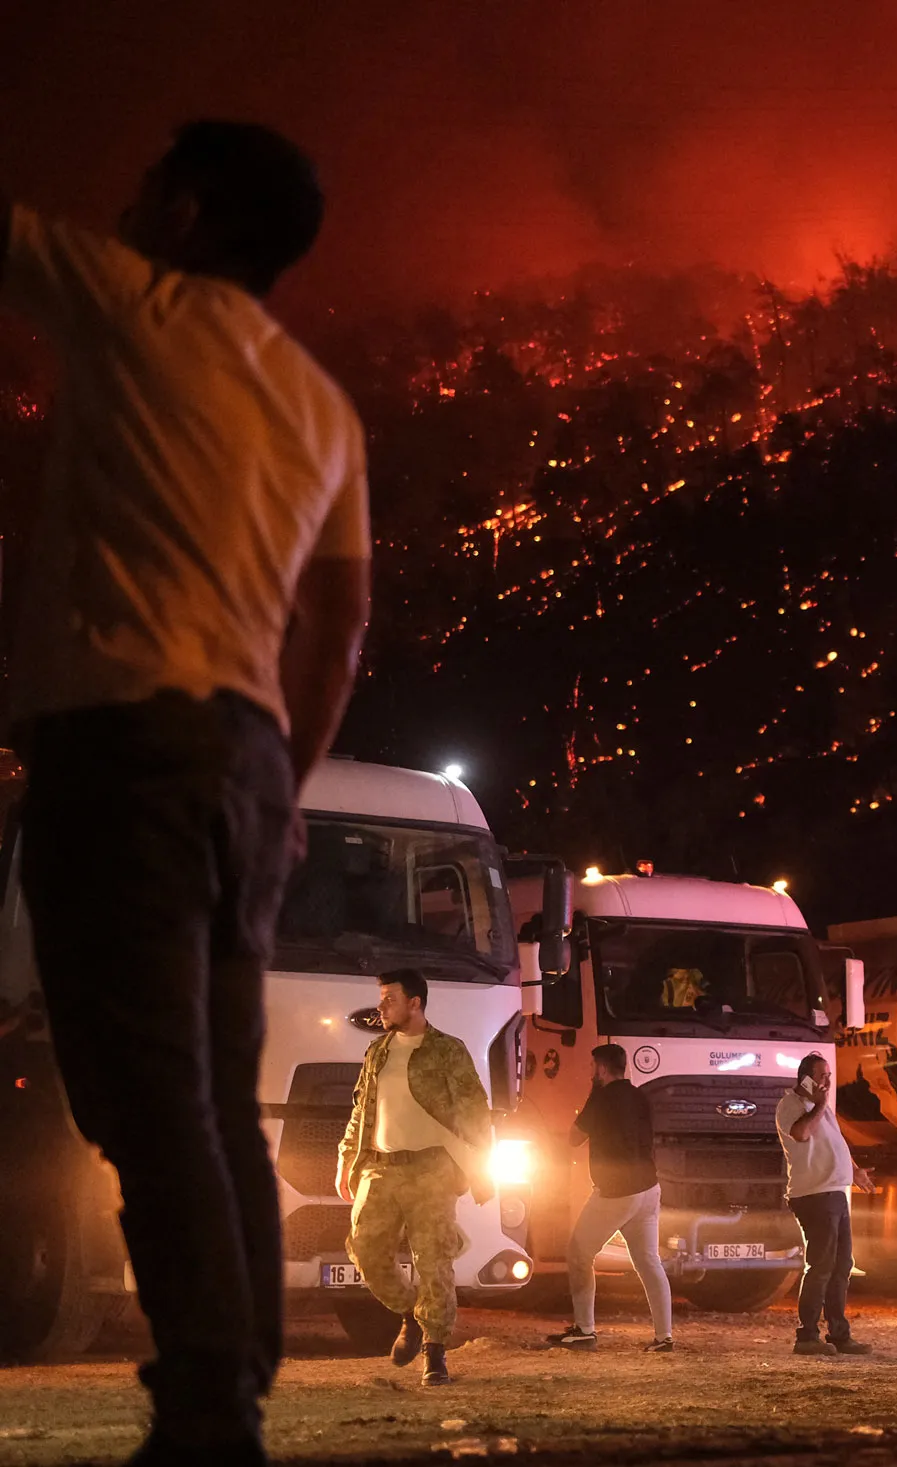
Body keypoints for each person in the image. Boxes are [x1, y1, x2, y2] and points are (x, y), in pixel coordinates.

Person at [2, 122, 370, 1463]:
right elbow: (338, 627)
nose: (125, 197)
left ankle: (210, 1401)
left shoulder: (131, 300)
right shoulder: (323, 405)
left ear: (193, 213)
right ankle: (234, 1387)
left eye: (147, 180)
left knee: (141, 1091)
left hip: (124, 747)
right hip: (248, 760)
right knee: (212, 1092)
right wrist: (283, 777)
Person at [336, 970, 494, 1386]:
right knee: (365, 1250)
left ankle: (434, 1352)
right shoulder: (377, 1051)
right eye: (381, 999)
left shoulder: (447, 1050)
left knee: (433, 1259)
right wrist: (346, 1157)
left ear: (415, 1003)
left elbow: (475, 1109)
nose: (381, 1007)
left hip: (431, 1169)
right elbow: (361, 1111)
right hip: (379, 1168)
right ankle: (410, 1314)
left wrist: (481, 1165)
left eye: (390, 999)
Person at [545, 1044, 674, 1352]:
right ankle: (663, 1336)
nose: (590, 1073)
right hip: (648, 1189)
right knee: (648, 1261)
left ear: (601, 1069)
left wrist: (592, 1094)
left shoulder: (601, 1099)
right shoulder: (640, 1095)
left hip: (617, 1193)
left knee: (578, 1253)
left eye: (592, 1068)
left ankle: (585, 1329)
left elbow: (574, 1138)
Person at [776, 1052, 875, 1356]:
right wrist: (819, 1105)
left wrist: (854, 1170)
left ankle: (839, 1333)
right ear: (805, 1078)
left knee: (842, 1263)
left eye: (829, 1075)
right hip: (814, 1195)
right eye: (822, 1076)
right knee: (821, 1265)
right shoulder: (790, 1106)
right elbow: (801, 1133)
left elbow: (835, 1141)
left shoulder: (823, 1109)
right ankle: (806, 1335)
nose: (827, 1082)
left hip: (834, 1193)